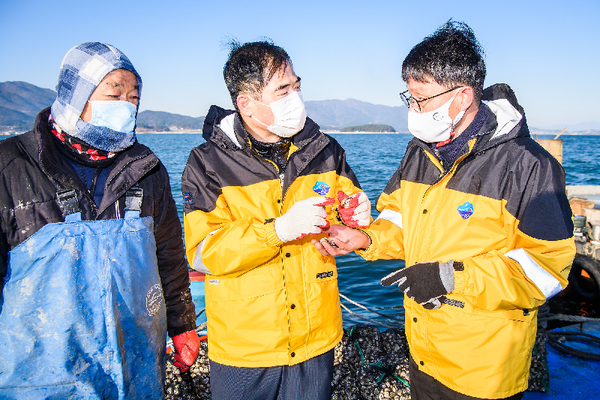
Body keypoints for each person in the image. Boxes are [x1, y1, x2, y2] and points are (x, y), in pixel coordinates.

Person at [313, 21, 575, 399]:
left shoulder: (529, 166)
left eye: (423, 99)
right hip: (424, 351)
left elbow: (547, 270)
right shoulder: (419, 152)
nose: (414, 109)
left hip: (485, 370)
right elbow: (397, 220)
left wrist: (453, 277)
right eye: (410, 98)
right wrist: (366, 237)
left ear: (463, 96)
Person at [0, 42, 200, 398]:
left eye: (134, 95)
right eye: (114, 93)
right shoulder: (9, 166)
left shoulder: (147, 169)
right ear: (75, 96)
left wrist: (182, 323)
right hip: (39, 374)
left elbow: (168, 254)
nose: (127, 104)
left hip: (135, 363)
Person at [181, 40, 370, 400]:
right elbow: (204, 253)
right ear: (246, 104)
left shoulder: (326, 149)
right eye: (283, 90)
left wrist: (358, 215)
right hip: (245, 347)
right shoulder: (206, 164)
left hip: (315, 338)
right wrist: (278, 230)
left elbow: (349, 209)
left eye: (297, 86)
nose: (295, 98)